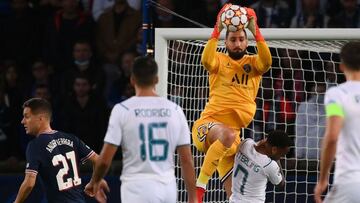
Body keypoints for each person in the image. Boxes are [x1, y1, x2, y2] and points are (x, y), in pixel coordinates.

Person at [84, 56, 197, 203]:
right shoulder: (175, 110)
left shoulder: (122, 110)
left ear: (132, 80)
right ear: (157, 80)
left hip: (137, 187)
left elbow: (105, 160)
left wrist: (95, 181)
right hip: (167, 187)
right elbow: (187, 160)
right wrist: (193, 198)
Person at [192, 3, 272, 200]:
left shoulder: (254, 64)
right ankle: (199, 188)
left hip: (232, 139)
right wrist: (217, 29)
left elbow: (267, 62)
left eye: (242, 39)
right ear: (225, 43)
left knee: (235, 196)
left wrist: (257, 32)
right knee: (227, 135)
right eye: (233, 39)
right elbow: (205, 61)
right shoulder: (218, 60)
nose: (237, 43)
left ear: (247, 42)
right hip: (207, 127)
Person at [14, 98, 109, 203]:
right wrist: (95, 181)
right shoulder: (71, 139)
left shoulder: (35, 145)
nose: (22, 121)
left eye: (27, 116)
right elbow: (99, 160)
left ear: (40, 118)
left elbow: (29, 183)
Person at [314, 41, 360, 203]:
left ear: (341, 67)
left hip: (350, 182)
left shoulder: (337, 94)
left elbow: (332, 136)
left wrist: (323, 179)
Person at [229, 130, 291, 203]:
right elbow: (281, 185)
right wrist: (276, 159)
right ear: (274, 149)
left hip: (234, 200)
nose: (281, 157)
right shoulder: (269, 165)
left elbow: (256, 146)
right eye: (282, 154)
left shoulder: (246, 143)